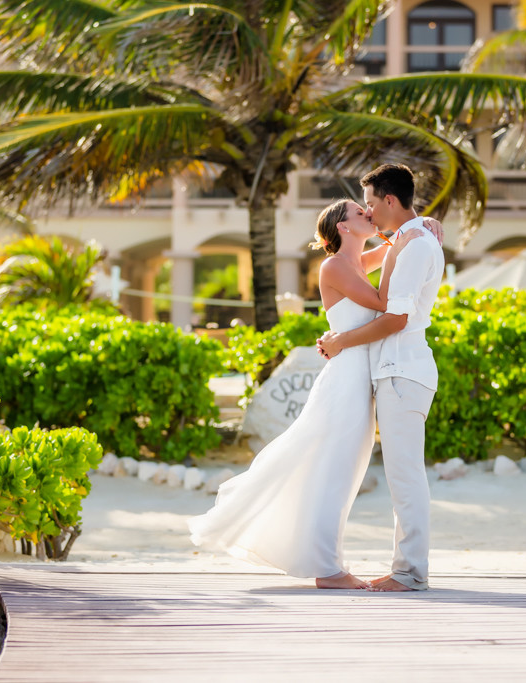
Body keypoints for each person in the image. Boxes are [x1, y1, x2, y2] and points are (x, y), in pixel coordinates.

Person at [188, 197, 438, 589]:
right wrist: (405, 240)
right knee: (334, 471)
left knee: (344, 471)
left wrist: (422, 224)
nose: (368, 214)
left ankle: (327, 562)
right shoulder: (336, 266)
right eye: (360, 213)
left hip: (361, 378)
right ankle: (328, 568)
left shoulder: (357, 261)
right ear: (343, 227)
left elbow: (392, 250)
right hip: (346, 381)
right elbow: (383, 302)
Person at [317, 164, 446, 592]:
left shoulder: (414, 246)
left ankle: (409, 573)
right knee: (401, 475)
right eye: (362, 208)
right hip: (395, 372)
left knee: (406, 476)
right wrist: (417, 227)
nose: (369, 213)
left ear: (390, 200)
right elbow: (379, 275)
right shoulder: (409, 241)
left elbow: (395, 317)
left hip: (402, 371)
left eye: (371, 203)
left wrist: (341, 341)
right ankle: (405, 570)